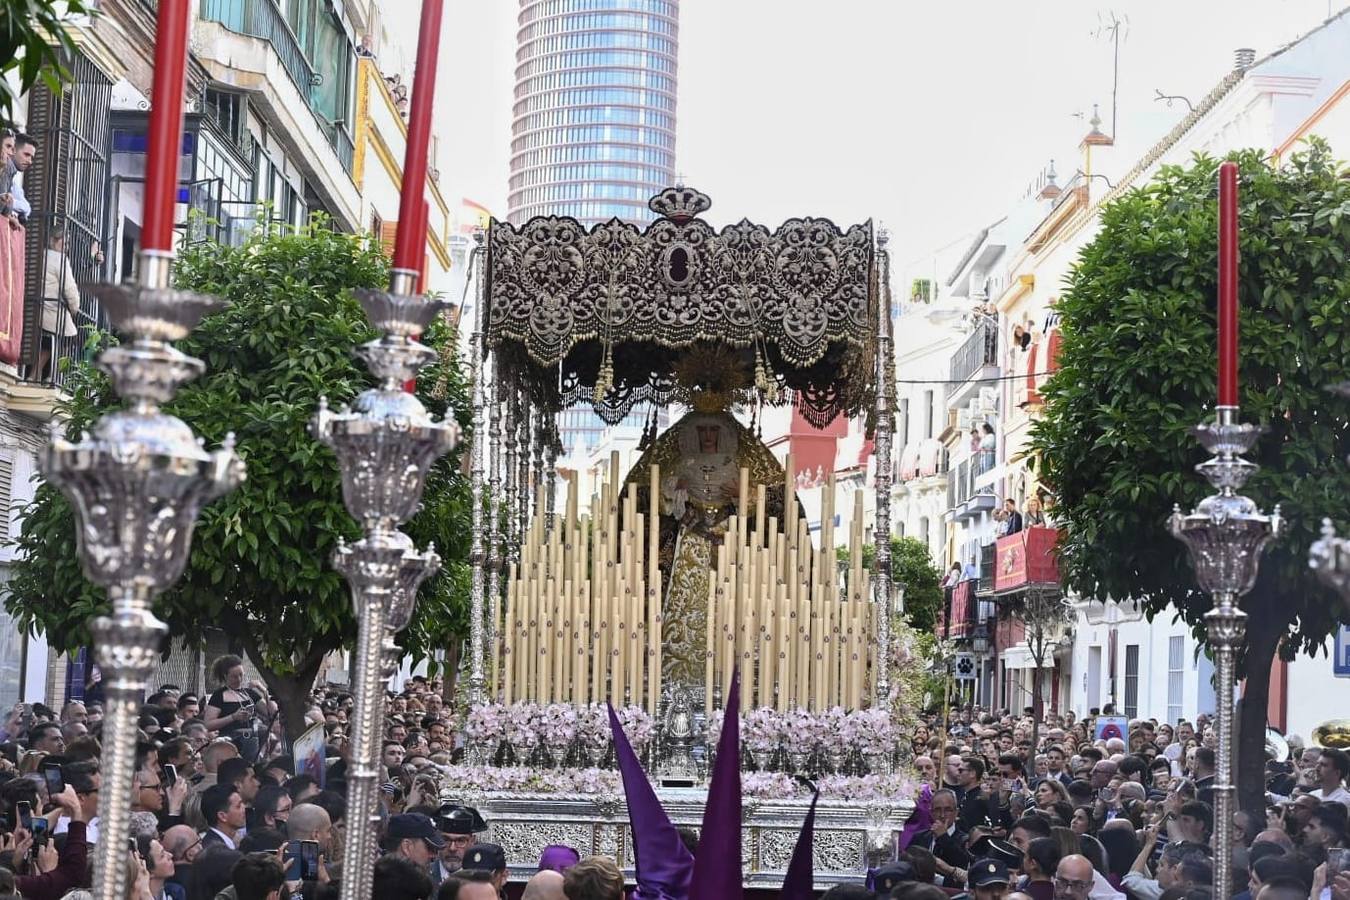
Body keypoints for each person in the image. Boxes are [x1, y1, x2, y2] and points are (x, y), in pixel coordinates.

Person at [203, 655, 265, 763]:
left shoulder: (249, 693)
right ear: (225, 676)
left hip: (252, 741)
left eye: (241, 675)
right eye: (234, 676)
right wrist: (232, 717)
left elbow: (272, 712)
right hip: (231, 741)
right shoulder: (219, 696)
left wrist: (263, 691)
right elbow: (208, 724)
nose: (239, 679)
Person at [38, 231, 82, 380]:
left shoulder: (40, 254)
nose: (66, 246)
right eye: (64, 242)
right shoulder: (60, 259)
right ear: (53, 240)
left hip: (37, 308)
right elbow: (70, 289)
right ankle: (54, 376)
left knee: (48, 342)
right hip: (52, 310)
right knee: (70, 337)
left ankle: (34, 375)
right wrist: (74, 308)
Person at [200, 784, 247, 850]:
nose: (244, 808)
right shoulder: (214, 851)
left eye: (243, 804)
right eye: (238, 806)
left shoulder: (224, 844)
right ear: (222, 816)